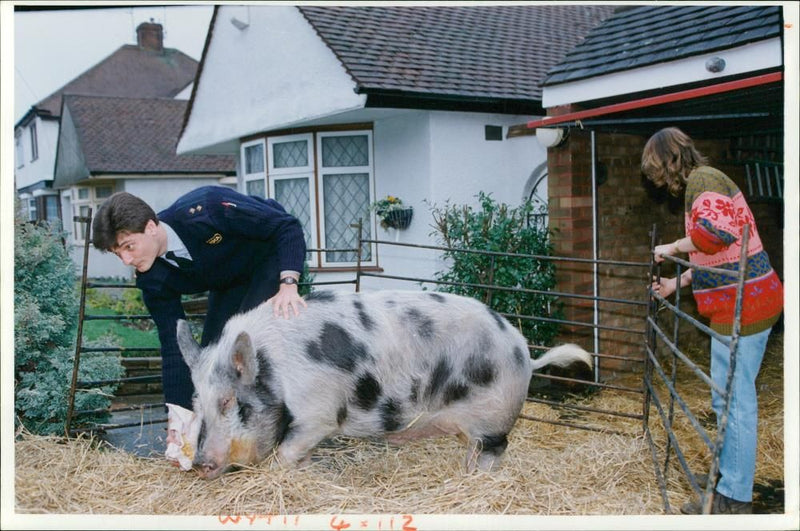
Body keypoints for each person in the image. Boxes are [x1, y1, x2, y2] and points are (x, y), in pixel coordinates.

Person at [642, 127, 783, 514]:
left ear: (668, 161)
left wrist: (670, 247)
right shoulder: (705, 185)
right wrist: (676, 283)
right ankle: (729, 474)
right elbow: (718, 252)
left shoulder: (703, 182)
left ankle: (734, 497)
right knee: (724, 400)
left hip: (746, 307)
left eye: (655, 170)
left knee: (735, 403)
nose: (657, 180)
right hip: (742, 302)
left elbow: (714, 235)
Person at [92, 185, 308, 411]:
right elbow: (173, 345)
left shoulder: (207, 209)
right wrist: (178, 417)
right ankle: (209, 425)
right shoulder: (152, 278)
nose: (126, 260)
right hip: (227, 281)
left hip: (267, 259)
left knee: (245, 340)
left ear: (150, 227)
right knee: (210, 358)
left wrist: (289, 285)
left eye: (129, 247)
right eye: (119, 254)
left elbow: (286, 226)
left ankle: (273, 419)